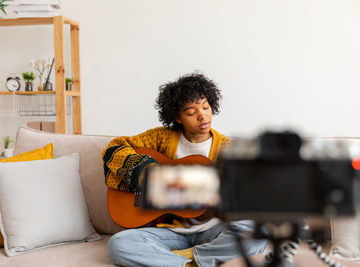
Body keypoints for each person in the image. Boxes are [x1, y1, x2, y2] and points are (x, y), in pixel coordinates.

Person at [102, 73, 267, 267]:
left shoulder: (228, 149)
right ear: (177, 117)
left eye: (206, 107)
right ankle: (191, 264)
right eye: (191, 112)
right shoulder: (160, 138)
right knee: (118, 244)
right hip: (169, 232)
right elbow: (115, 148)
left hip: (213, 231)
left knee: (258, 233)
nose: (202, 115)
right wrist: (146, 174)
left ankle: (187, 257)